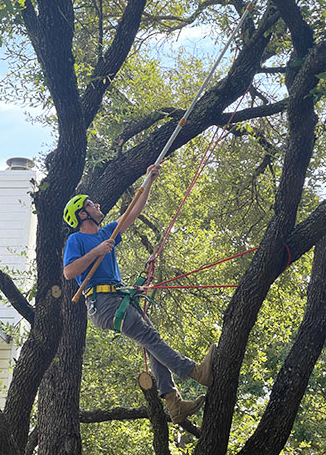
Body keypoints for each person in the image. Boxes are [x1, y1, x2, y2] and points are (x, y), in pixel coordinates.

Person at [63, 164, 216, 424]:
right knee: (150, 336)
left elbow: (133, 212)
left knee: (150, 341)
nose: (98, 204)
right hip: (102, 303)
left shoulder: (106, 232)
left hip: (116, 299)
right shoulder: (76, 240)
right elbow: (69, 273)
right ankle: (195, 372)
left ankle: (173, 402)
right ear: (82, 214)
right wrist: (96, 252)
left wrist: (149, 181)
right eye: (92, 203)